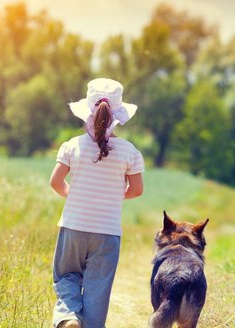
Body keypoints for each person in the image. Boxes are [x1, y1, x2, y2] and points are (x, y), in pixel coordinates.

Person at [49, 78, 145, 328]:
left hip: (73, 227)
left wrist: (75, 194)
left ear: (87, 112)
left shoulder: (72, 146)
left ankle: (69, 316)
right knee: (97, 291)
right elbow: (137, 190)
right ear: (118, 115)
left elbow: (56, 182)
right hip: (108, 233)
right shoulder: (129, 151)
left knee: (66, 276)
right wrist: (114, 195)